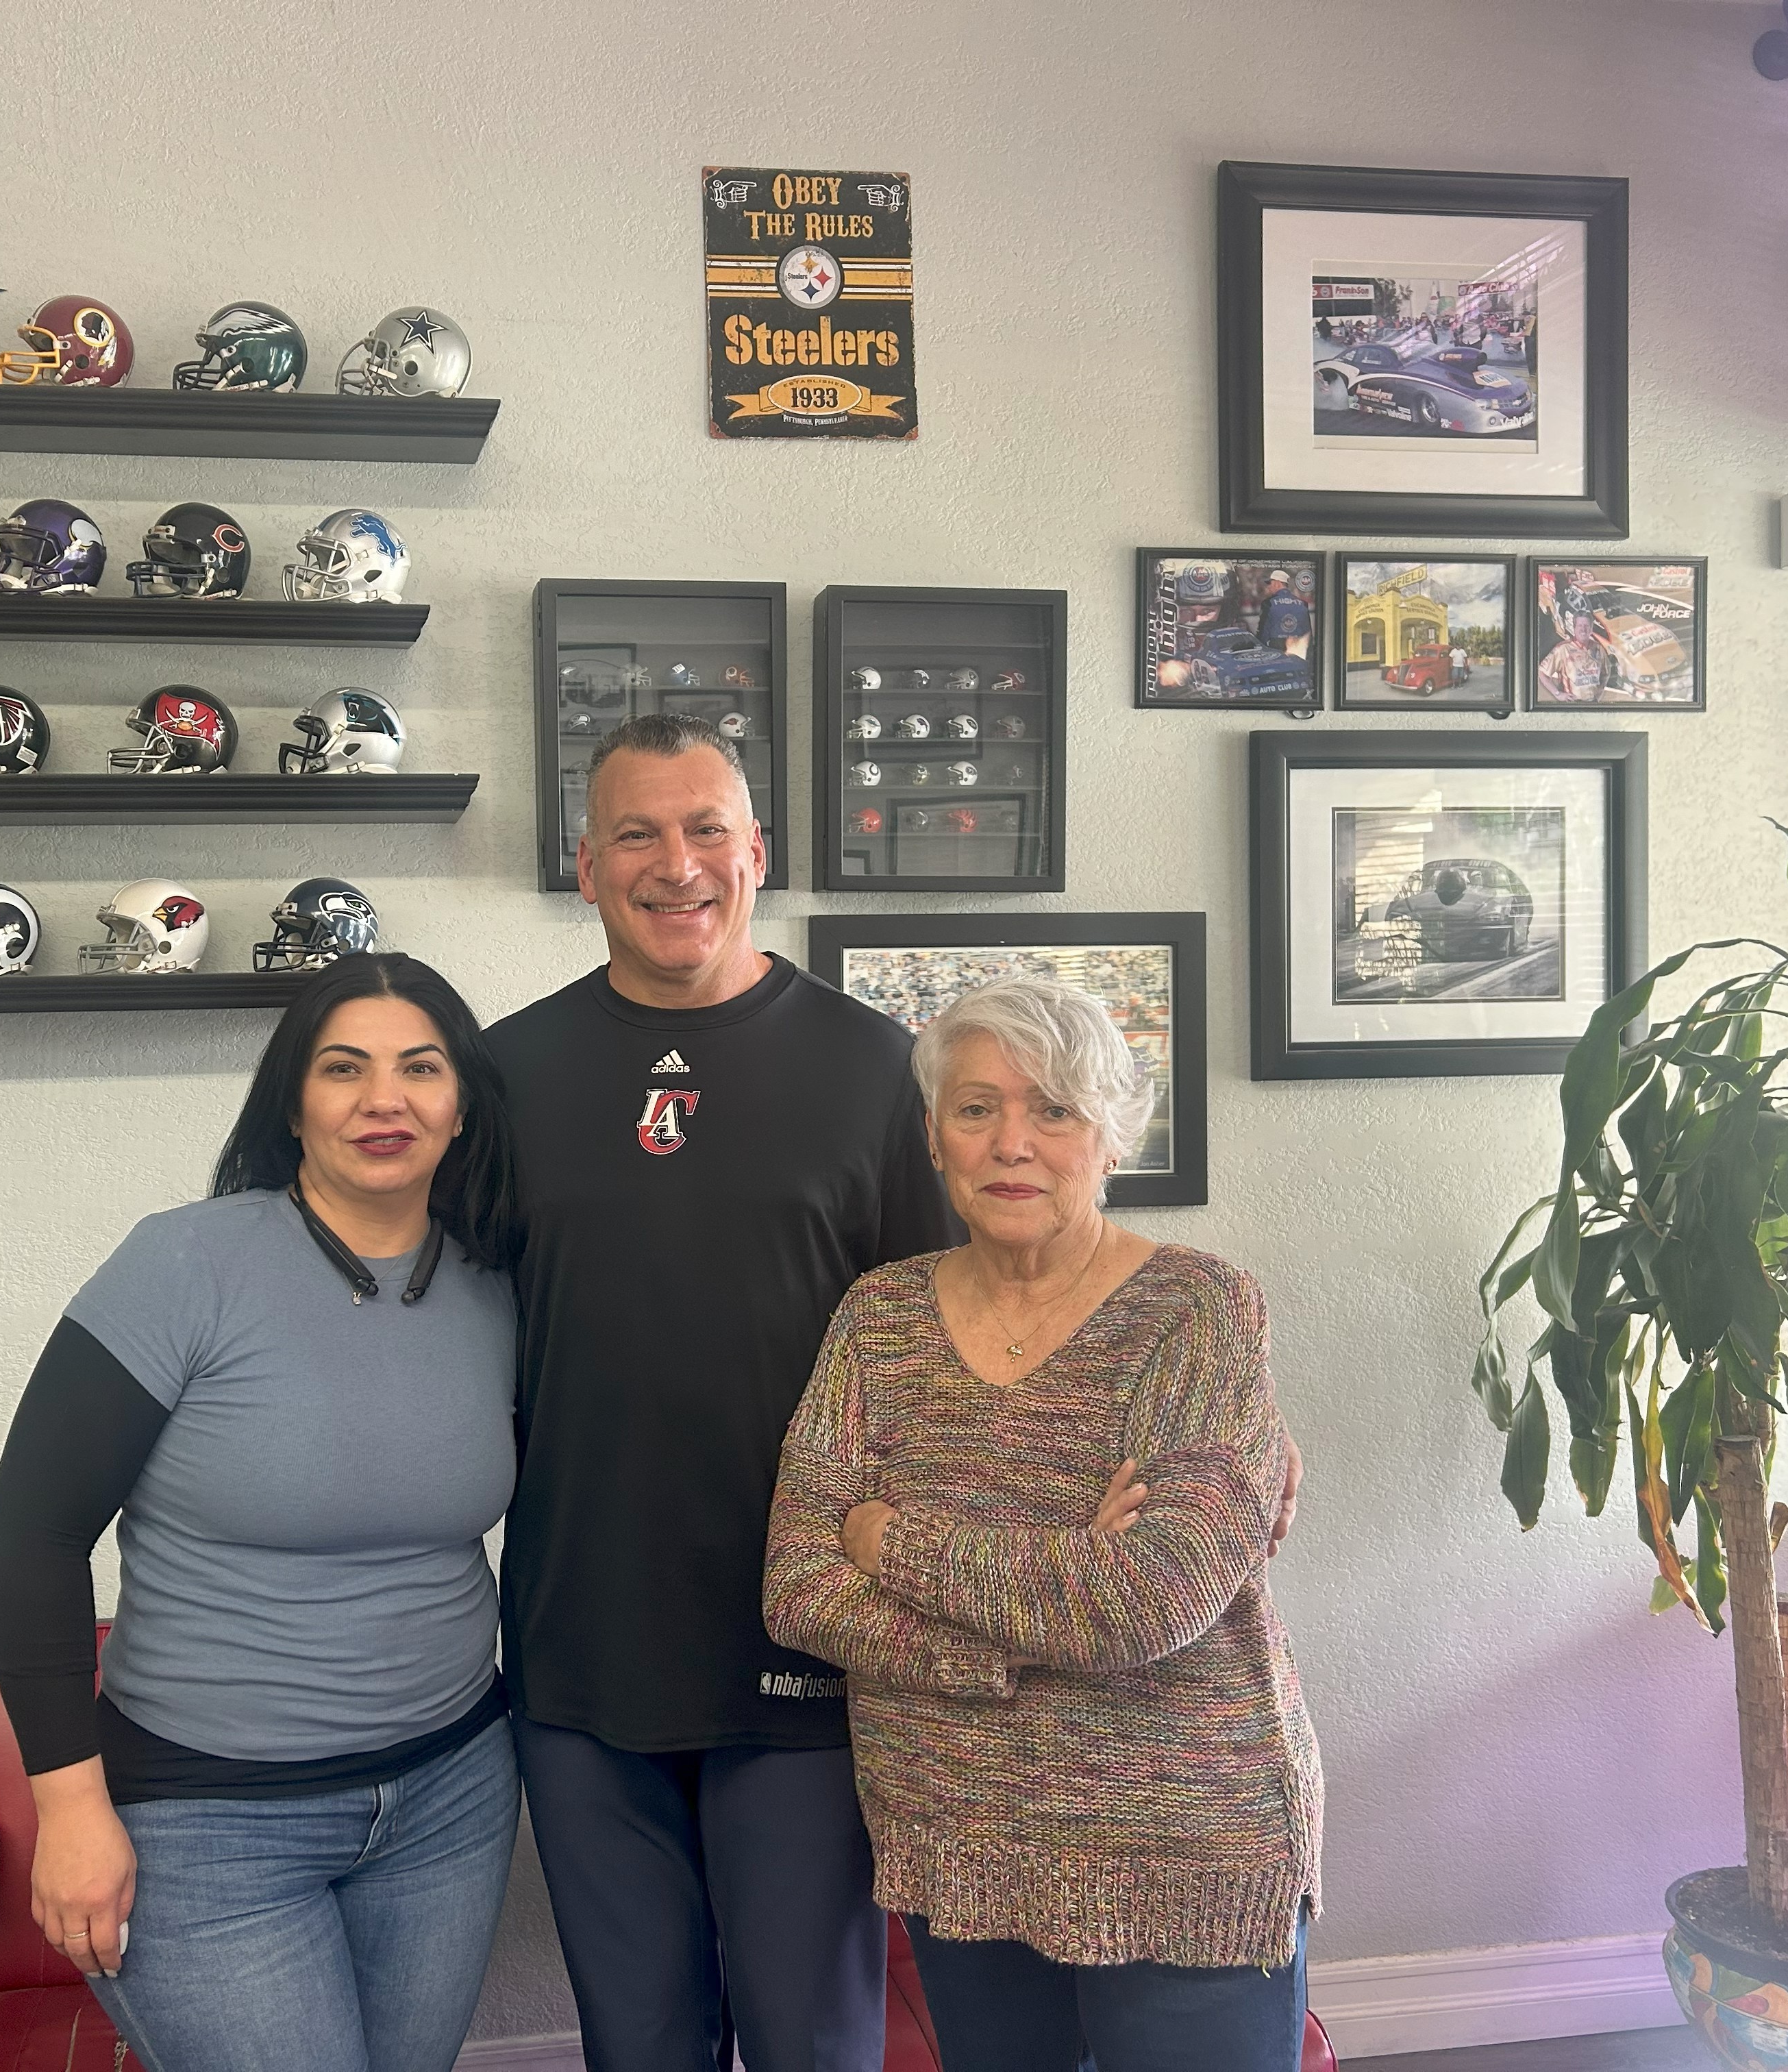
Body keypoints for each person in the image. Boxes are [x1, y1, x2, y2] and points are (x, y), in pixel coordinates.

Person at [486, 716, 1300, 2071]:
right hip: (583, 1642)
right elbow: (441, 1322)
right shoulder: (506, 1076)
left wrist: (1233, 1457)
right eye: (636, 833)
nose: (676, 863)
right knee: (637, 2044)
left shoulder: (871, 1068)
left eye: (706, 830)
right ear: (585, 863)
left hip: (818, 1676)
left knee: (815, 2042)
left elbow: (992, 1327)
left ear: (758, 851)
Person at [762, 976, 1322, 2071]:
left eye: (1055, 1109)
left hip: (1180, 1851)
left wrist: (888, 1542)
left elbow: (1147, 1601)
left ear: (1112, 1136)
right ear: (935, 1137)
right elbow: (796, 1587)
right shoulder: (878, 1317)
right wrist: (1030, 1620)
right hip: (955, 1840)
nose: (1011, 1143)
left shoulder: (1198, 1311)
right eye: (976, 1109)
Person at [0, 953, 523, 2072]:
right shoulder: (185, 1264)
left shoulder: (500, 1283)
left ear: (463, 1105)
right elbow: (36, 1537)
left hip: (452, 1796)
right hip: (207, 1822)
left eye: (421, 1068)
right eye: (344, 1069)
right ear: (292, 1102)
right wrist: (71, 1810)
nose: (385, 1099)